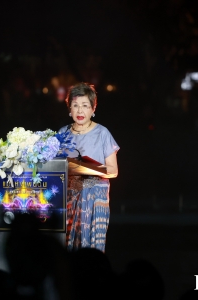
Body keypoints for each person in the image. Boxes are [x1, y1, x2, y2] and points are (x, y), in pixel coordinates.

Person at [58, 82, 120, 253]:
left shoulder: (102, 133)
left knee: (90, 254)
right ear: (69, 107)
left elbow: (113, 171)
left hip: (93, 200)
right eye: (75, 105)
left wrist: (86, 168)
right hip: (68, 200)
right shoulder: (62, 134)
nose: (80, 111)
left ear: (93, 109)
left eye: (85, 106)